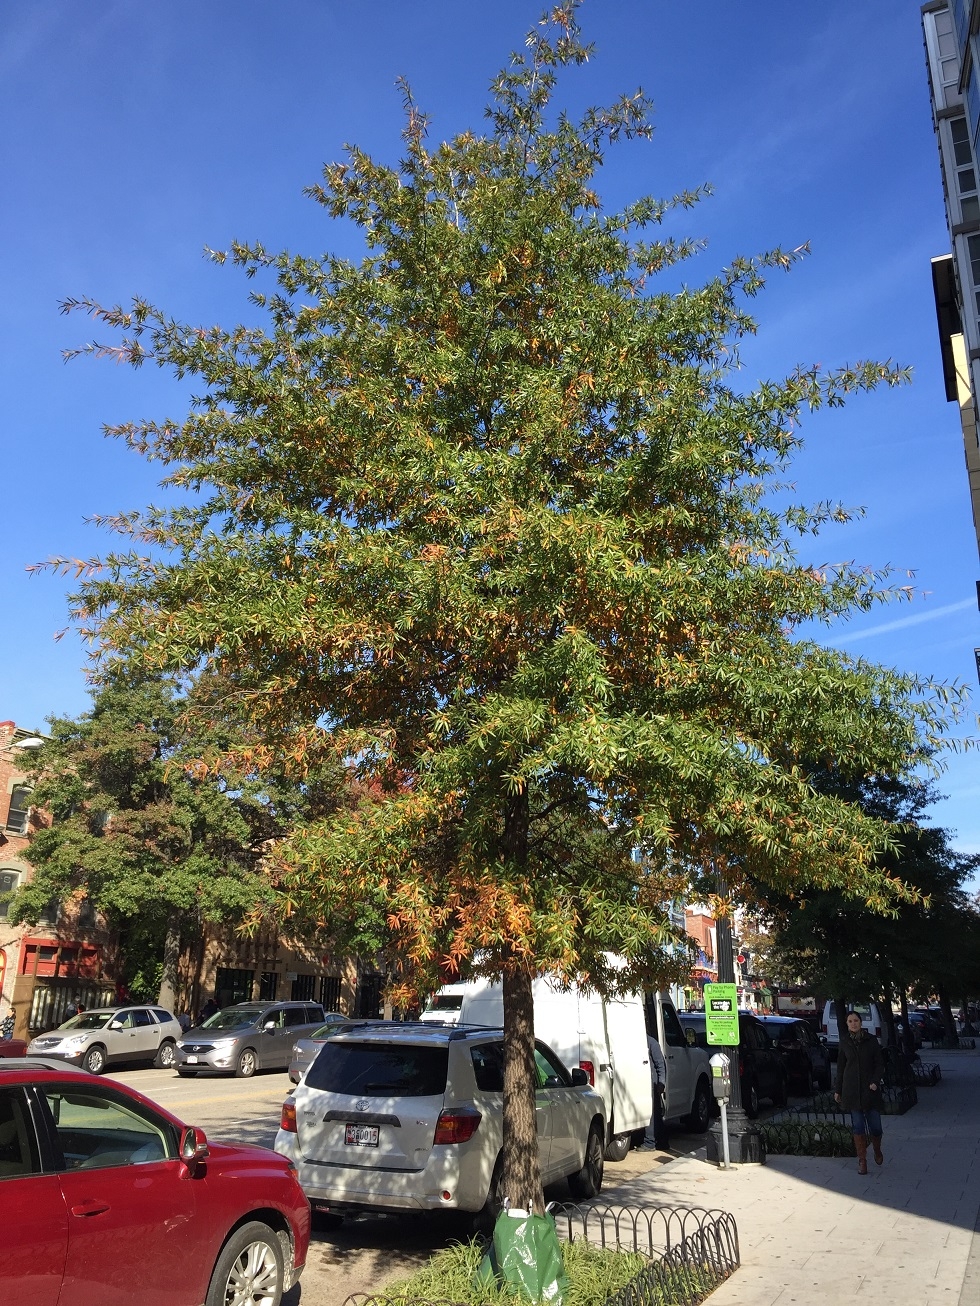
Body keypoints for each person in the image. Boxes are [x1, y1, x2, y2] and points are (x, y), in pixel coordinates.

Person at [834, 1010, 885, 1174]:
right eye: (850, 1021)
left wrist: (875, 1081)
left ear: (861, 1023)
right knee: (858, 1126)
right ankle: (862, 1161)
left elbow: (879, 1064)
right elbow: (841, 1067)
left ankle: (877, 1149)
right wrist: (838, 1089)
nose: (853, 1023)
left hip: (870, 1089)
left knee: (875, 1126)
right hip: (852, 1090)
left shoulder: (871, 1041)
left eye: (856, 1020)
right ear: (847, 1024)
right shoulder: (844, 1042)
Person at [641, 1032, 669, 1151]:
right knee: (655, 1115)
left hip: (652, 1084)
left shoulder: (651, 1042)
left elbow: (660, 1064)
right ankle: (661, 1142)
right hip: (646, 1083)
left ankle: (650, 1142)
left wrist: (661, 1083)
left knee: (653, 1114)